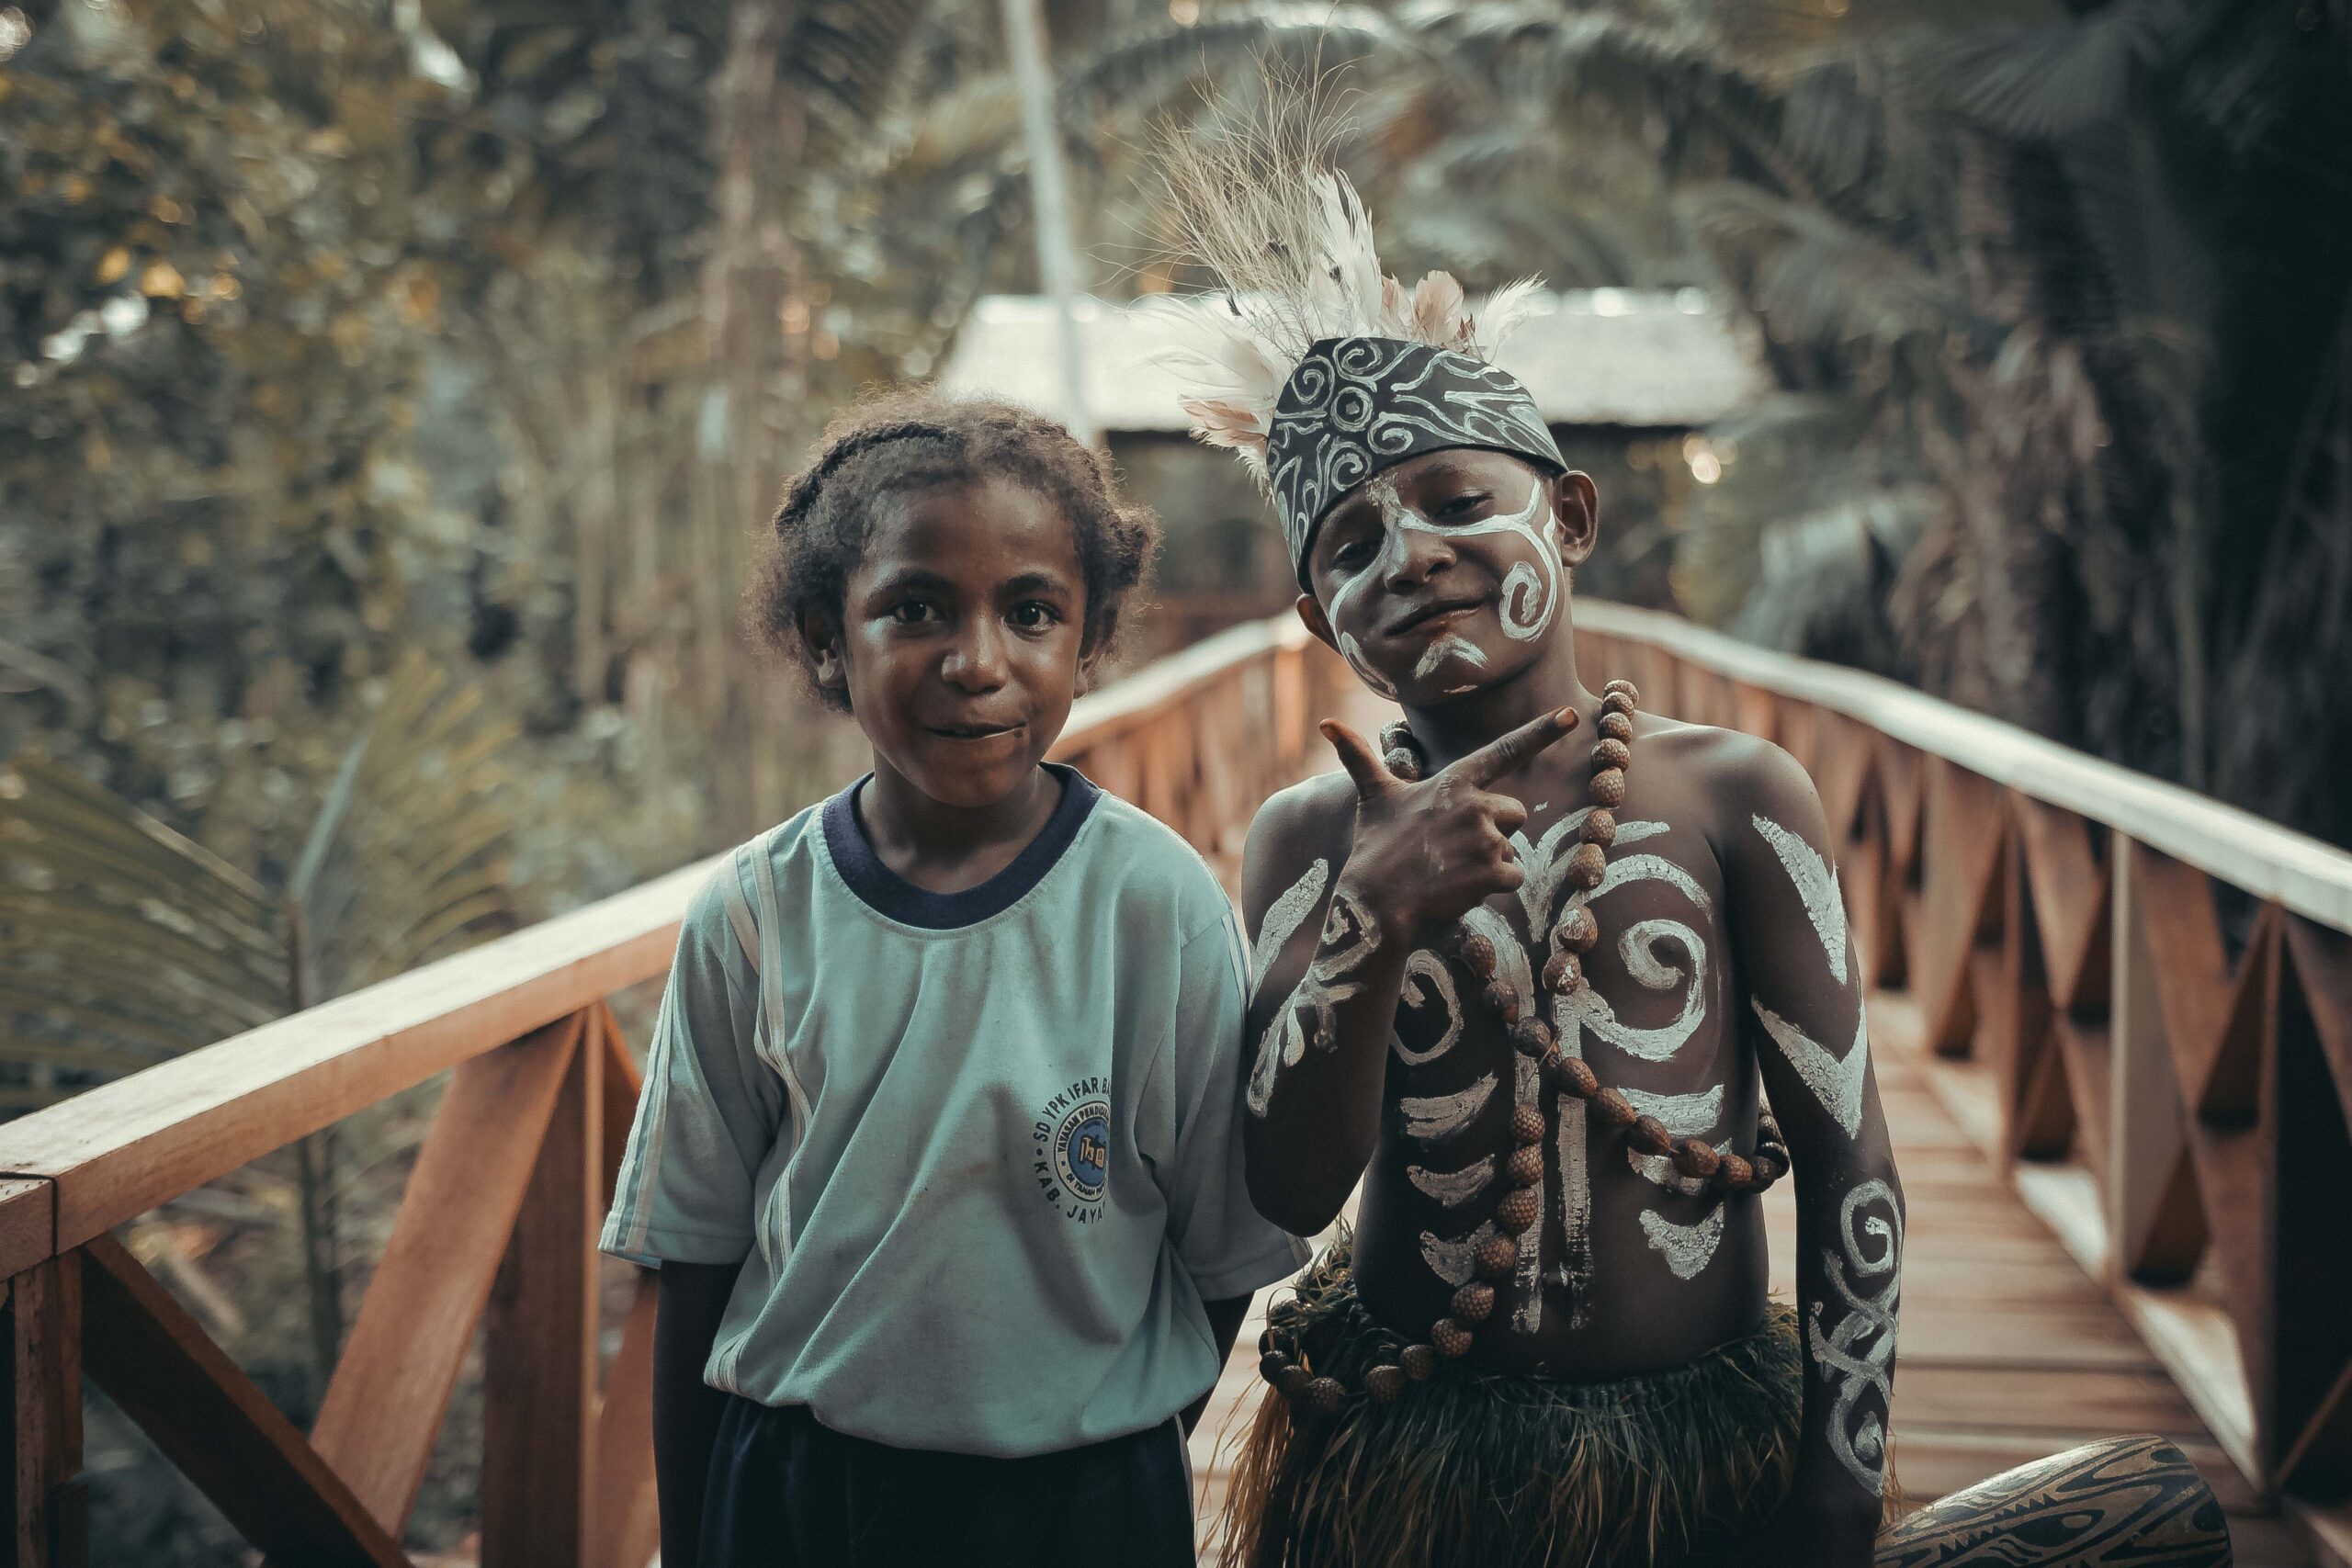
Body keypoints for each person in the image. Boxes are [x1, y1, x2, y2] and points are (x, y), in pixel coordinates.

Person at [1146, 108, 2230, 1568]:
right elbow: (1285, 1190)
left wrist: (1841, 1490)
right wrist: (1374, 914)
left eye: (1461, 502)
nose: (1408, 555)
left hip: (1703, 1443)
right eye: (1348, 545)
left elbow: (1853, 1162)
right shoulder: (1311, 835)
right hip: (1409, 1451)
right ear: (1312, 617)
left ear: (1572, 516)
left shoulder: (1735, 794)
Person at [600, 391, 1309, 1568]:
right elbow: (694, 1254)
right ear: (829, 636)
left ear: (1086, 644)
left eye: (1031, 612)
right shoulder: (755, 913)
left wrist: (1108, 1433)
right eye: (915, 608)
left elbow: (1218, 1255)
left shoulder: (1159, 908)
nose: (977, 662)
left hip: (1078, 1505)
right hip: (796, 1490)